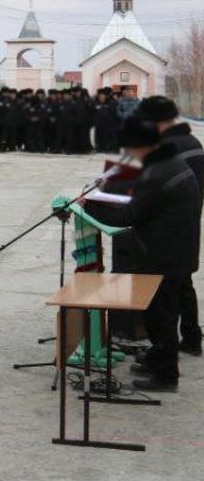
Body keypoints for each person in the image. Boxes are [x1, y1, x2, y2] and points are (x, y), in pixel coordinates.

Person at [86, 116, 201, 391]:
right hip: (176, 249)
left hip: (165, 255)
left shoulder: (157, 170)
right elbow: (138, 188)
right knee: (155, 312)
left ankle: (165, 376)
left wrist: (90, 207)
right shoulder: (164, 160)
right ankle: (156, 357)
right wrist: (109, 185)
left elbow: (130, 214)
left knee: (162, 316)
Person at [137, 96, 204, 357]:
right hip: (188, 219)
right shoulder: (191, 141)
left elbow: (157, 187)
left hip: (169, 226)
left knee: (166, 294)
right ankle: (191, 338)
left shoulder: (167, 147)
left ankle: (166, 351)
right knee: (184, 283)